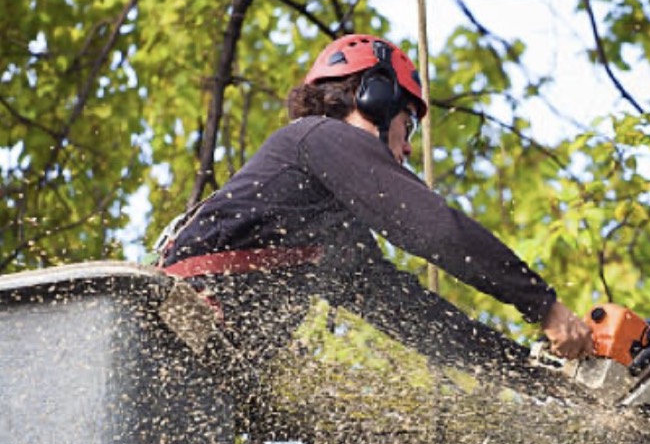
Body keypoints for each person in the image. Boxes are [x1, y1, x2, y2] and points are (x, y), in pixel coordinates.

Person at [158, 33, 593, 374]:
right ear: (376, 98)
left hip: (198, 360)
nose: (406, 149)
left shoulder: (330, 231)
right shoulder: (316, 137)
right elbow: (434, 229)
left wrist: (534, 372)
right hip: (174, 329)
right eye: (410, 123)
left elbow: (416, 319)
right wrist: (545, 306)